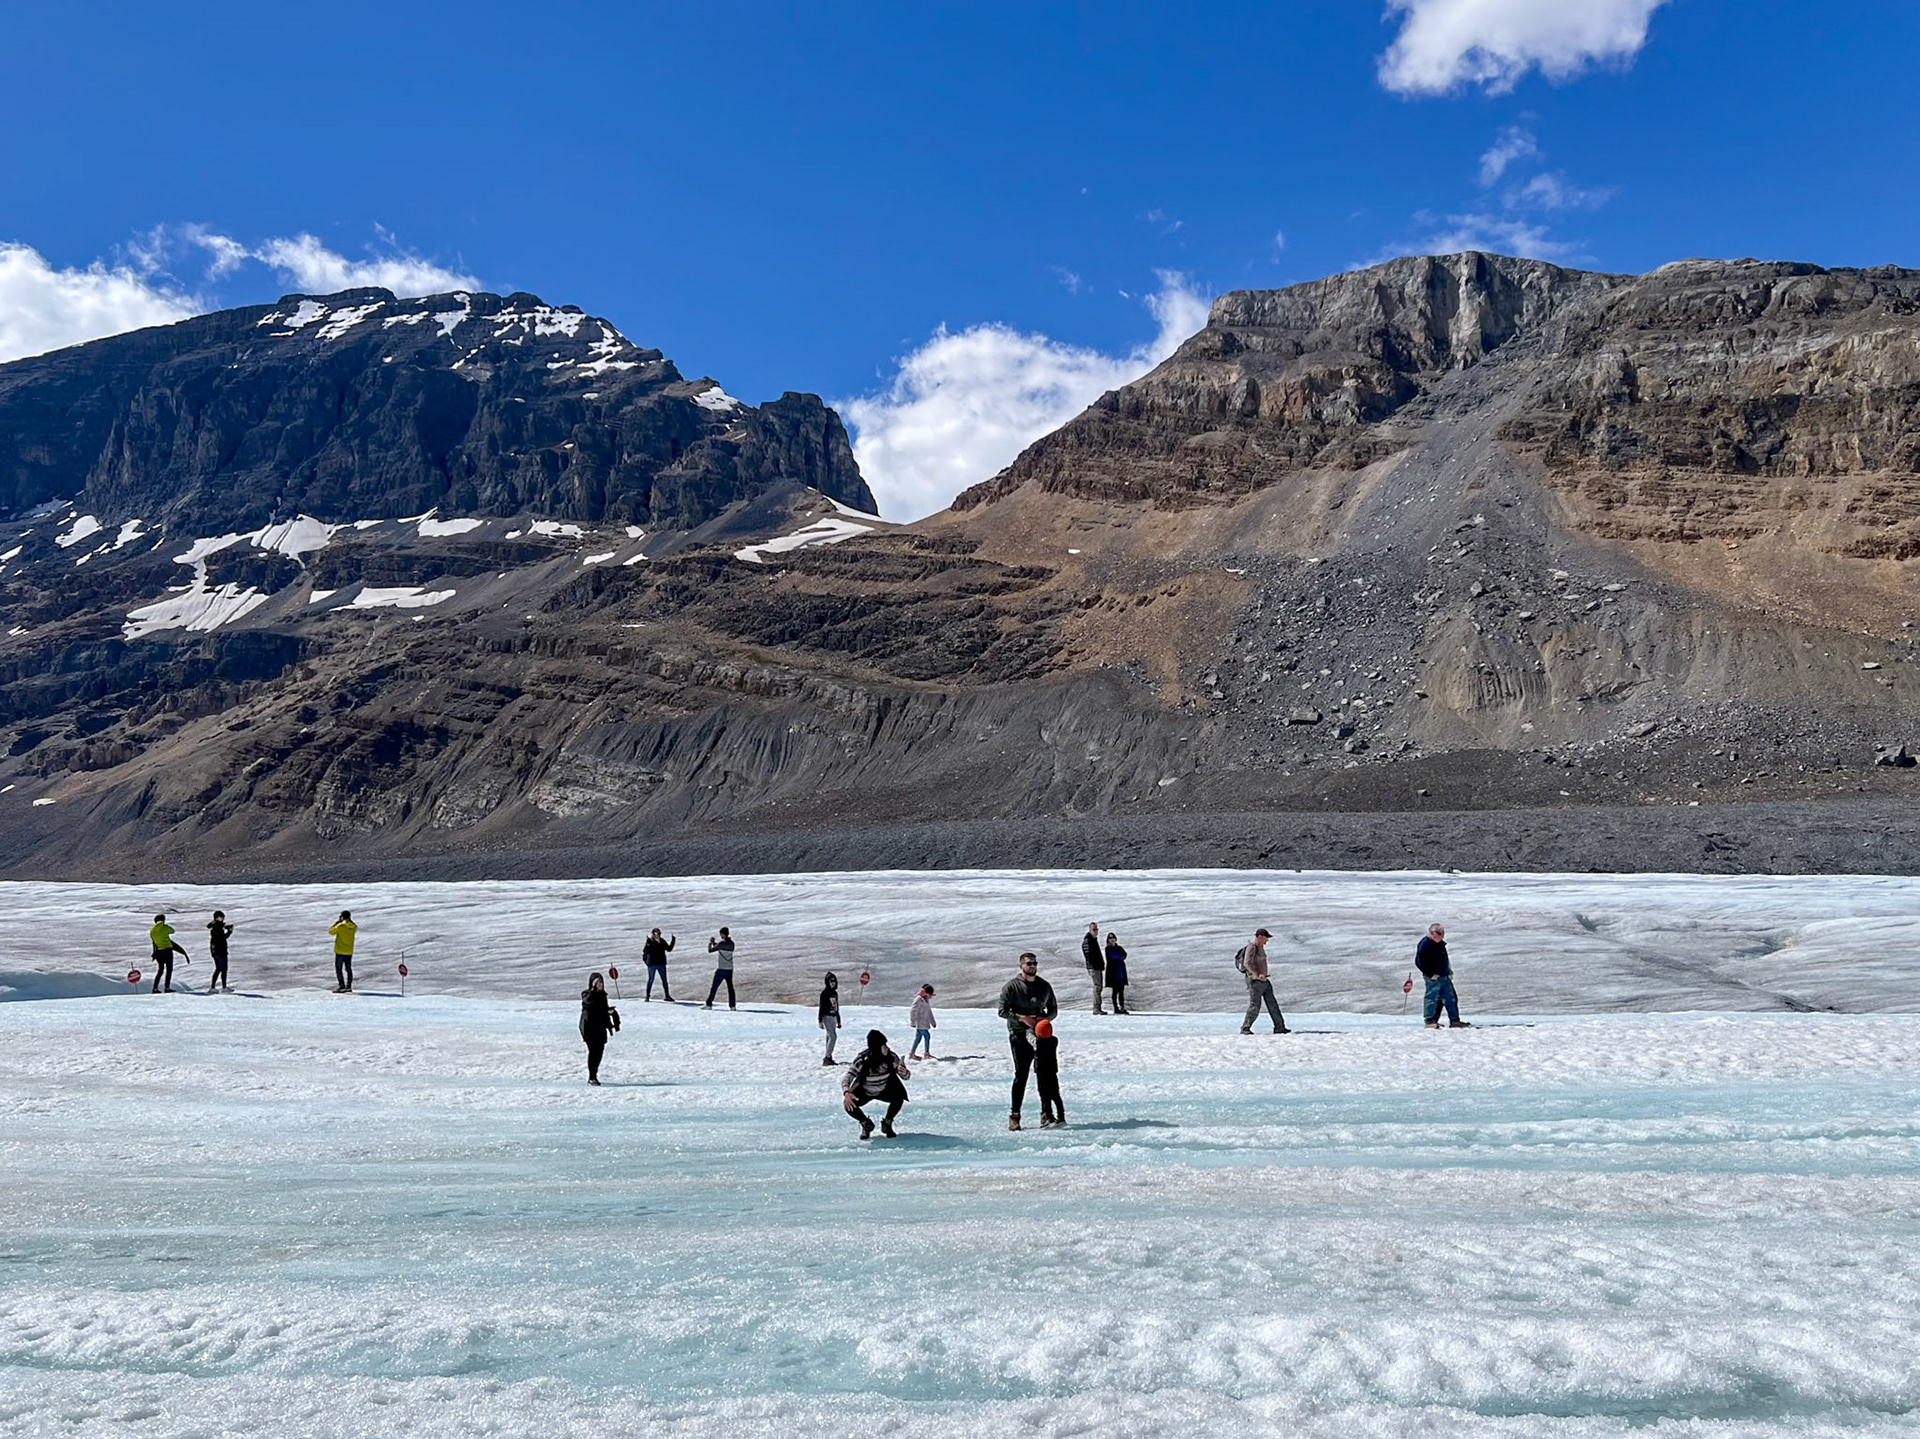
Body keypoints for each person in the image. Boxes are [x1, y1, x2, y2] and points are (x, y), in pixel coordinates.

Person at [997, 951, 1058, 1131]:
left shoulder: (1044, 986)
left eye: (1034, 963)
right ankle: (1015, 1115)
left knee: (1044, 1075)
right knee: (1021, 1075)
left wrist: (1043, 1020)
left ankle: (1045, 1113)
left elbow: (1053, 1009)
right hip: (1019, 1035)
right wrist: (1021, 1018)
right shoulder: (1012, 987)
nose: (1032, 966)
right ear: (1021, 966)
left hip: (1040, 1036)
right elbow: (1002, 1011)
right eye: (1029, 964)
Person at [841, 1029, 911, 1139]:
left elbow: (906, 1077)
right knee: (848, 1104)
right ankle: (865, 1124)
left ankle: (887, 1123)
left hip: (884, 1090)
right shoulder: (862, 1060)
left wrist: (905, 1072)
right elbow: (848, 1077)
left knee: (899, 1097)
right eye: (884, 1045)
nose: (888, 1047)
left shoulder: (892, 1058)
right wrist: (846, 1093)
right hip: (865, 1091)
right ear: (876, 1047)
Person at [1416, 923, 1470, 1028]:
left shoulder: (1439, 944)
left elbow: (1444, 959)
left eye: (1442, 933)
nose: (1442, 936)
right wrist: (1430, 974)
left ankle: (1454, 1021)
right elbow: (1419, 962)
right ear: (1431, 933)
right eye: (1439, 934)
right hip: (1433, 977)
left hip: (1444, 975)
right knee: (1432, 998)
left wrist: (1448, 970)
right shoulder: (1425, 945)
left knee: (1451, 998)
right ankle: (1430, 1021)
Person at [1237, 927, 1288, 1035]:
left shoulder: (1260, 947)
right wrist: (1257, 974)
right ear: (1260, 937)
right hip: (1255, 981)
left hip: (1264, 980)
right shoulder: (1252, 947)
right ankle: (1245, 1028)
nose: (1266, 941)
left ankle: (1279, 1027)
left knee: (1272, 1004)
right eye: (1266, 938)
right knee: (1255, 1005)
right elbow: (1247, 963)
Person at [579, 971, 621, 1085]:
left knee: (599, 1052)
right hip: (589, 1028)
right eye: (597, 983)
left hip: (600, 1028)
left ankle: (594, 1075)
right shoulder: (586, 994)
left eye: (601, 983)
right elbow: (589, 1003)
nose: (600, 985)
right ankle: (591, 1077)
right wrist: (593, 989)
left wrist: (610, 1013)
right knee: (593, 1052)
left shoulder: (603, 996)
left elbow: (602, 1009)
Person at [1034, 1017, 1065, 1127]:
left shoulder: (1038, 1043)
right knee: (1056, 1095)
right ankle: (1061, 1117)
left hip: (1042, 1074)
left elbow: (1030, 1039)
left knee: (1044, 1096)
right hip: (1052, 1073)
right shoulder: (1054, 1041)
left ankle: (1049, 1117)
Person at [148, 913, 188, 994]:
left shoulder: (152, 930)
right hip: (167, 950)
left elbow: (154, 942)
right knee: (169, 969)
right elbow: (172, 931)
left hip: (159, 951)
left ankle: (155, 988)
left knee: (160, 970)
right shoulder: (165, 927)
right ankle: (167, 987)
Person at [704, 927, 736, 1009]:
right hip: (729, 969)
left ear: (723, 934)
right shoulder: (732, 944)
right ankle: (732, 1006)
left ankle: (708, 1004)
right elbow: (721, 947)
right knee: (730, 988)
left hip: (721, 969)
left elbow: (711, 950)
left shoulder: (721, 944)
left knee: (714, 987)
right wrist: (715, 943)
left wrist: (710, 943)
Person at [1080, 921, 1106, 1014]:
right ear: (1090, 930)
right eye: (1094, 929)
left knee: (1098, 987)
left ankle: (1097, 1008)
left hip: (1096, 966)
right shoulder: (1088, 940)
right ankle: (1096, 1008)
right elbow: (1088, 954)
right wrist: (1090, 967)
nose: (1095, 931)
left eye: (1096, 929)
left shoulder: (1092, 939)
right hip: (1094, 967)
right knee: (1097, 987)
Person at [643, 928, 676, 1002]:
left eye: (658, 933)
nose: (656, 935)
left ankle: (667, 996)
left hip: (661, 963)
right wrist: (646, 961)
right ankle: (647, 996)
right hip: (652, 964)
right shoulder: (650, 941)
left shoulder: (662, 941)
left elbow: (669, 949)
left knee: (664, 980)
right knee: (651, 980)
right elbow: (645, 951)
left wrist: (673, 941)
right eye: (655, 933)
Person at [206, 911, 234, 993]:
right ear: (216, 918)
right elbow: (222, 938)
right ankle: (224, 987)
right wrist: (229, 932)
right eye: (220, 917)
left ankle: (213, 987)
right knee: (223, 968)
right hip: (220, 951)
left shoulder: (216, 926)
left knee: (218, 968)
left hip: (216, 951)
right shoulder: (216, 928)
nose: (222, 919)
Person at [329, 910, 357, 992]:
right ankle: (349, 986)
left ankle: (342, 986)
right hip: (349, 950)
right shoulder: (353, 926)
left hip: (340, 950)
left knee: (339, 969)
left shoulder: (341, 926)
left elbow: (331, 932)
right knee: (348, 969)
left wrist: (336, 923)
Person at [818, 972, 841, 1065]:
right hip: (827, 1016)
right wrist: (820, 1020)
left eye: (834, 981)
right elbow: (821, 1007)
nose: (833, 983)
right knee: (833, 1037)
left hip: (833, 1016)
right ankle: (827, 1057)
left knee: (829, 1036)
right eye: (831, 981)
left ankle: (829, 1056)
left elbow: (836, 1007)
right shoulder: (824, 993)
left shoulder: (834, 993)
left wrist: (838, 1019)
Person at [908, 984, 937, 1059]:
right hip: (920, 1023)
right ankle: (926, 1053)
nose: (931, 997)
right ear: (926, 993)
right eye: (930, 995)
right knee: (927, 1036)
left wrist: (932, 1022)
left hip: (925, 1023)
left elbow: (929, 1012)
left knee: (918, 1038)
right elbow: (913, 1011)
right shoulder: (918, 999)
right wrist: (913, 1022)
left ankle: (912, 1053)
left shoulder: (926, 1000)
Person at [1104, 931, 1130, 1014]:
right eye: (1110, 938)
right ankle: (1116, 1007)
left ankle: (1122, 1007)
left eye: (1113, 938)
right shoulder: (1108, 949)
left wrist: (1119, 957)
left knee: (1121, 990)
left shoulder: (1119, 948)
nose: (1111, 940)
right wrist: (1119, 957)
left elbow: (1124, 955)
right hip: (1113, 972)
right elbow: (1114, 956)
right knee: (1115, 991)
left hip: (1121, 972)